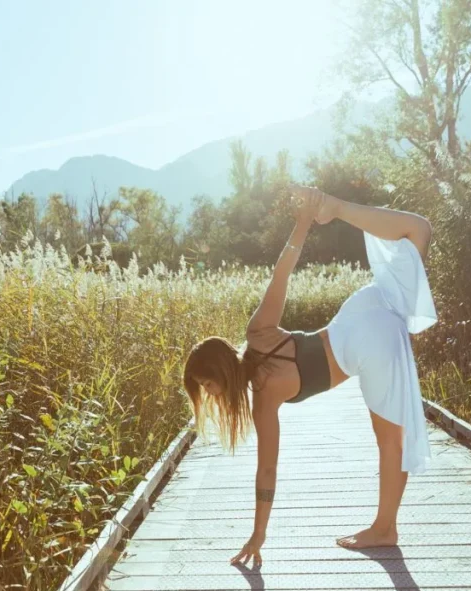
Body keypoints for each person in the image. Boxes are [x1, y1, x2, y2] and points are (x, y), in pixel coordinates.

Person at [182, 184, 437, 566]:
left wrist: (258, 534)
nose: (211, 394)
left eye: (206, 385)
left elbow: (267, 470)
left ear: (218, 370)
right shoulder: (258, 334)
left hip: (362, 346)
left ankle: (385, 528)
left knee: (390, 442)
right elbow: (282, 271)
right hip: (358, 312)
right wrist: (304, 221)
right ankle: (339, 208)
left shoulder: (264, 397)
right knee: (418, 230)